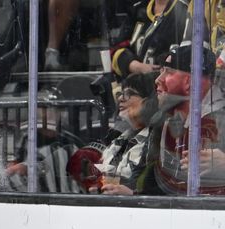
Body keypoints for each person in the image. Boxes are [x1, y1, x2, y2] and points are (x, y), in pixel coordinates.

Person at [151, 42, 225, 194]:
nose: (158, 79)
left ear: (190, 82)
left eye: (169, 72)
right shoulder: (166, 120)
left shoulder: (220, 121)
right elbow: (160, 180)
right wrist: (135, 194)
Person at [68, 72, 160, 195]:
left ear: (150, 101)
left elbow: (159, 194)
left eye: (129, 94)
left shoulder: (157, 141)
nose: (120, 98)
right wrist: (99, 189)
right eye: (121, 93)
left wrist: (133, 195)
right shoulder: (119, 138)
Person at [110, 0, 188, 79]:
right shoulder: (137, 9)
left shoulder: (185, 11)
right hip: (134, 86)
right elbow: (116, 50)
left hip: (166, 87)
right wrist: (135, 66)